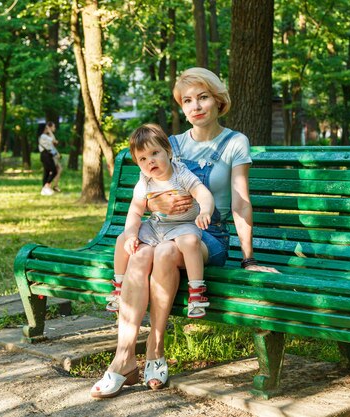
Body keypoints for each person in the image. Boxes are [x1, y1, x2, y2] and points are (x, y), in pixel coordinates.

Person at [90, 68, 279, 399]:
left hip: (207, 238)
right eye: (188, 100)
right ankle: (125, 357)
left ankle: (154, 347)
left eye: (203, 97)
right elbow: (148, 191)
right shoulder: (170, 144)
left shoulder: (235, 142)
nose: (196, 106)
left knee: (164, 251)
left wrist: (248, 259)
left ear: (218, 100)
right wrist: (153, 210)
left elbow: (240, 200)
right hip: (165, 231)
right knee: (143, 252)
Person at [105, 124, 214, 320]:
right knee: (122, 239)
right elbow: (136, 210)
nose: (150, 162)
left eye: (155, 153)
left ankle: (196, 291)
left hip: (183, 225)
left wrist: (205, 210)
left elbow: (203, 194)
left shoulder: (181, 174)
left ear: (169, 151)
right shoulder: (145, 181)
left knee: (190, 242)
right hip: (156, 226)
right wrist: (131, 234)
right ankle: (120, 286)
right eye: (143, 159)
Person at [38, 122, 63, 196]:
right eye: (46, 128)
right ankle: (46, 186)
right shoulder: (43, 136)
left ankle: (44, 189)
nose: (47, 129)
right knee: (54, 171)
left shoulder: (43, 136)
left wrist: (56, 154)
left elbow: (51, 147)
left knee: (46, 172)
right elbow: (54, 140)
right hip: (45, 155)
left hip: (47, 155)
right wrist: (50, 131)